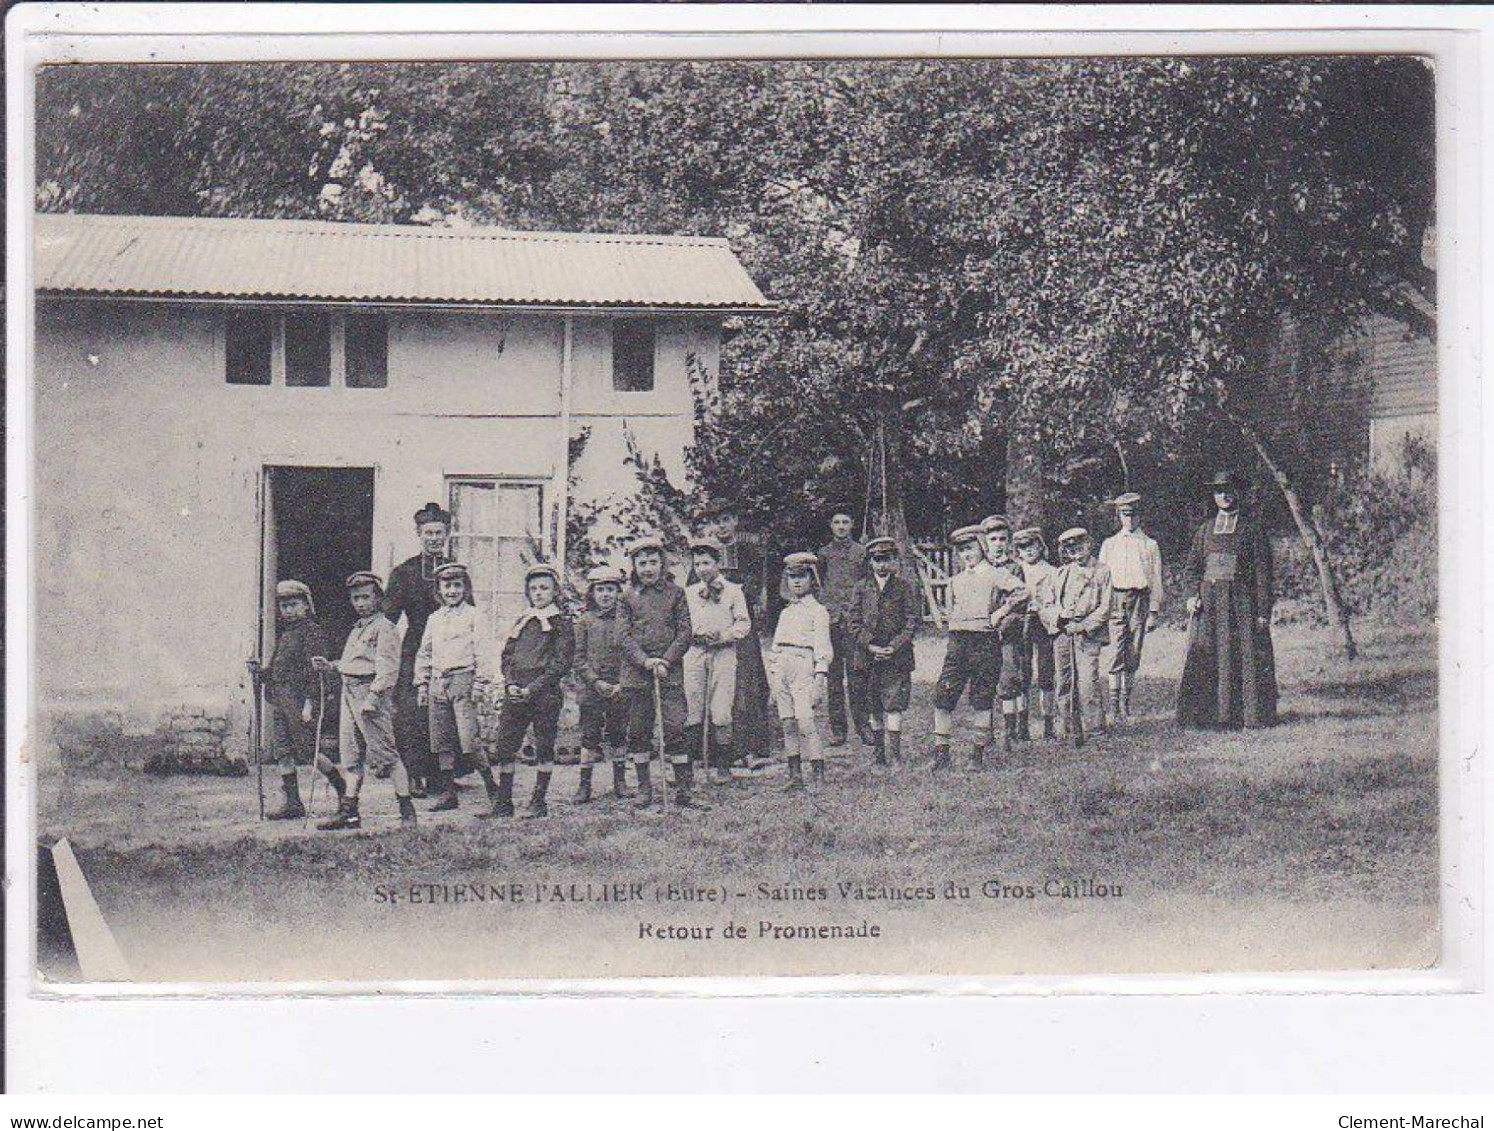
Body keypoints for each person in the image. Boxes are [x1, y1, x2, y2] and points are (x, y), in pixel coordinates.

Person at [312, 571, 415, 829]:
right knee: (351, 757)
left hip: (370, 697)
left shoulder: (385, 628)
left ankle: (407, 812)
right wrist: (330, 666)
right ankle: (350, 812)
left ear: (379, 599)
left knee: (386, 755)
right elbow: (353, 664)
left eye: (365, 597)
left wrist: (373, 698)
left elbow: (388, 669)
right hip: (350, 694)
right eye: (355, 598)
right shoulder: (357, 629)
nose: (360, 603)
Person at [1177, 471, 1279, 730]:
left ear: (1238, 493)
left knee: (1242, 657)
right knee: (1208, 656)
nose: (1224, 495)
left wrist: (1263, 611)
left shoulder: (1252, 530)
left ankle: (1245, 716)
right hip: (1209, 606)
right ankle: (1208, 717)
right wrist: (1191, 596)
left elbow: (1263, 574)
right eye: (1219, 490)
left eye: (1229, 489)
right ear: (1213, 496)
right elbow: (1192, 569)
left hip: (1241, 607)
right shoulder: (1204, 531)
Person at [413, 561, 502, 813]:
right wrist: (422, 683)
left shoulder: (474, 616)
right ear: (439, 590)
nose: (452, 590)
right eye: (446, 586)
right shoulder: (435, 618)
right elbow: (425, 652)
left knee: (468, 739)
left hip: (464, 680)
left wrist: (480, 682)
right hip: (438, 683)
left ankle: (492, 788)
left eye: (456, 585)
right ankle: (448, 792)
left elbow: (483, 651)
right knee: (442, 739)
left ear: (465, 588)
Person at [619, 536, 697, 809]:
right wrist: (645, 661)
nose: (648, 568)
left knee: (675, 727)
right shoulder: (626, 596)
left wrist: (665, 660)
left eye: (653, 562)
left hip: (669, 672)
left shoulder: (676, 593)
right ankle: (643, 791)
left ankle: (684, 790)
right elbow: (623, 636)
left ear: (662, 563)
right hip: (636, 675)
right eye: (642, 563)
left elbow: (685, 632)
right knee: (638, 732)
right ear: (635, 566)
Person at [492, 563, 575, 819]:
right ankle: (503, 803)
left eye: (544, 588)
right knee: (506, 745)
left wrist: (533, 688)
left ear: (554, 591)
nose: (538, 593)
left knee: (544, 744)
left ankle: (538, 801)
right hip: (517, 691)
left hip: (544, 692)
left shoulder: (560, 623)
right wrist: (510, 684)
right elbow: (507, 655)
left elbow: (560, 663)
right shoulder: (524, 620)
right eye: (534, 589)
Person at [383, 502, 454, 797]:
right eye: (428, 533)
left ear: (446, 535)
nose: (434, 538)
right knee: (412, 712)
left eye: (439, 533)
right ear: (419, 534)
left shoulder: (454, 571)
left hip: (448, 646)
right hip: (414, 646)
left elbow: (469, 608)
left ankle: (442, 775)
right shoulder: (405, 572)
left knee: (442, 710)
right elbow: (389, 616)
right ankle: (413, 774)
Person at [257, 580, 338, 820]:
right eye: (284, 605)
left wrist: (310, 702)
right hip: (280, 699)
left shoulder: (311, 632)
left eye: (293, 604)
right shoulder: (286, 634)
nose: (288, 610)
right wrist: (260, 672)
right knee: (282, 751)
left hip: (299, 699)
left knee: (308, 751)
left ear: (306, 605)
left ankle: (343, 790)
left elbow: (317, 672)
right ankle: (293, 803)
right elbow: (275, 670)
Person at [844, 536, 919, 770]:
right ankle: (879, 756)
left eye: (886, 559)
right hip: (868, 657)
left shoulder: (905, 586)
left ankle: (895, 756)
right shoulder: (861, 588)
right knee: (873, 704)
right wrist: (870, 645)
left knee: (894, 704)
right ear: (870, 562)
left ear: (895, 560)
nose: (881, 565)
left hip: (897, 656)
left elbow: (912, 621)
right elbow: (853, 622)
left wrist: (894, 646)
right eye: (877, 560)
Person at [932, 525, 1002, 771]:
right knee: (942, 697)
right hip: (958, 643)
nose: (966, 554)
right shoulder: (956, 581)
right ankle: (942, 755)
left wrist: (999, 615)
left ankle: (977, 755)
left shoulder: (995, 574)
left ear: (982, 546)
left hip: (984, 642)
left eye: (970, 548)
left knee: (982, 699)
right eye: (961, 551)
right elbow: (951, 609)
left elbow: (1021, 593)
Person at [683, 536, 752, 786]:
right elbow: (681, 625)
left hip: (723, 654)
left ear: (717, 563)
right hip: (694, 653)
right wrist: (695, 635)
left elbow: (744, 624)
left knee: (721, 710)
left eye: (707, 562)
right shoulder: (688, 593)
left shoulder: (734, 591)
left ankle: (723, 766)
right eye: (698, 563)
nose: (702, 568)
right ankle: (688, 769)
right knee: (692, 708)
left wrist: (723, 636)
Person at [1043, 528, 1114, 748]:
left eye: (1080, 546)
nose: (1076, 552)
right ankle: (1066, 728)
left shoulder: (1102, 571)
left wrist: (1083, 626)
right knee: (1064, 679)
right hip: (1063, 633)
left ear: (1090, 544)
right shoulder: (1061, 573)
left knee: (1087, 681)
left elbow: (1105, 607)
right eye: (1071, 548)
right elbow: (1047, 602)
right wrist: (1060, 618)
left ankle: (1095, 729)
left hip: (1088, 634)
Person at [1098, 491, 1165, 722]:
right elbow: (1101, 579)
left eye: (1133, 515)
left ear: (1140, 516)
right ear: (1119, 515)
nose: (1129, 520)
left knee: (1132, 652)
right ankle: (1114, 707)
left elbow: (1156, 579)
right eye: (1125, 515)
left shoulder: (1149, 545)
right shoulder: (1109, 544)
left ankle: (1126, 704)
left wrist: (1153, 611)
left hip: (1139, 600)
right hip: (1115, 600)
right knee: (1115, 652)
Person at [770, 551, 833, 790]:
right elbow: (775, 647)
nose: (796, 582)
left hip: (803, 665)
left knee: (806, 722)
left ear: (812, 579)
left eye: (802, 576)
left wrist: (819, 679)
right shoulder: (786, 612)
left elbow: (823, 649)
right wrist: (774, 678)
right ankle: (795, 776)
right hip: (783, 667)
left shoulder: (818, 611)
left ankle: (818, 773)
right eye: (791, 577)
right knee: (787, 723)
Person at [574, 565, 632, 803]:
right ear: (592, 593)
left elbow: (631, 653)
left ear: (618, 592)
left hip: (619, 688)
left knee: (618, 735)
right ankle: (584, 785)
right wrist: (595, 681)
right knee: (589, 737)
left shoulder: (626, 620)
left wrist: (621, 683)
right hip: (591, 690)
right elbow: (578, 658)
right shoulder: (584, 621)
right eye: (600, 589)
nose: (606, 594)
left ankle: (620, 782)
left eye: (610, 589)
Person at [980, 515, 1032, 755]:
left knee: (1009, 680)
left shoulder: (1015, 568)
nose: (998, 543)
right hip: (981, 633)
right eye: (993, 539)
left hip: (1007, 633)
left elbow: (1020, 602)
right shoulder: (980, 568)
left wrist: (1002, 617)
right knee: (983, 682)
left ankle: (1010, 732)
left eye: (1002, 539)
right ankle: (986, 730)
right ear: (985, 542)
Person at [817, 510, 869, 746]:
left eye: (845, 522)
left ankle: (863, 726)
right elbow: (818, 584)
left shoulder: (861, 552)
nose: (841, 526)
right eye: (836, 522)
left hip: (853, 621)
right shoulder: (824, 554)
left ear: (852, 524)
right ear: (830, 525)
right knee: (834, 678)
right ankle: (838, 730)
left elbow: (868, 586)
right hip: (830, 621)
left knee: (857, 674)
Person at [1013, 527, 1059, 741]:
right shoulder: (1016, 570)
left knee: (1045, 673)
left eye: (1032, 545)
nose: (1028, 550)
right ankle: (1022, 726)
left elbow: (1057, 601)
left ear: (1041, 546)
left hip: (1044, 624)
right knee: (1022, 674)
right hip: (1021, 624)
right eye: (1022, 547)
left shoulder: (1052, 571)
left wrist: (1043, 608)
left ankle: (1048, 724)